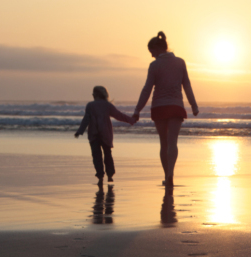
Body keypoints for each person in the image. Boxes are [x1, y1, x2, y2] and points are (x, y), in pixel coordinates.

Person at [132, 31, 199, 186]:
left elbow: (147, 89)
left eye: (152, 52)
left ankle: (166, 175)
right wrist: (193, 105)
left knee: (164, 143)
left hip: (159, 107)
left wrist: (137, 110)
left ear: (157, 48)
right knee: (173, 142)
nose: (151, 56)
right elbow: (187, 85)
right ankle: (170, 174)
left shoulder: (154, 65)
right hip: (176, 106)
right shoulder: (180, 62)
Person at [75, 86, 135, 184]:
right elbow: (119, 115)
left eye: (93, 93)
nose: (93, 95)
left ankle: (100, 176)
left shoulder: (90, 105)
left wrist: (79, 131)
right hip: (105, 133)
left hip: (94, 134)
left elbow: (86, 120)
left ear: (97, 94)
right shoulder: (107, 105)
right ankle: (110, 175)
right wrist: (130, 120)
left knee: (96, 156)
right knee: (107, 155)